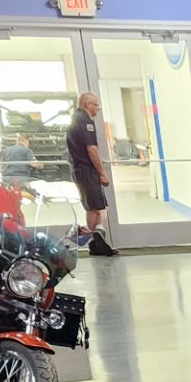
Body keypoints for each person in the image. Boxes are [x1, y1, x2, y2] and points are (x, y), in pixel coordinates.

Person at [67, 91, 118, 257]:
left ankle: (97, 240)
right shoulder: (85, 121)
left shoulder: (75, 119)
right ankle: (95, 242)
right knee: (94, 208)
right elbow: (92, 149)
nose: (98, 109)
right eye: (97, 105)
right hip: (86, 170)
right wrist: (102, 172)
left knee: (99, 206)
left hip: (81, 169)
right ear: (87, 105)